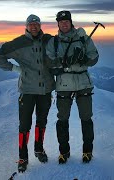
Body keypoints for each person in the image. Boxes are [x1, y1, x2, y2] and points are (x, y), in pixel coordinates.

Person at [0, 14, 54, 173]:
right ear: (26, 26)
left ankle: (39, 150)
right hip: (27, 90)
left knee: (42, 122)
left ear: (40, 25)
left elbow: (64, 45)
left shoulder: (48, 40)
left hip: (45, 90)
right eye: (31, 24)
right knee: (25, 125)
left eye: (36, 24)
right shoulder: (18, 43)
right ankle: (23, 157)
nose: (34, 26)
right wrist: (14, 68)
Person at [46, 10, 99, 164]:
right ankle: (64, 152)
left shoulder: (83, 38)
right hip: (64, 83)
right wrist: (66, 61)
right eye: (61, 22)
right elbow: (49, 62)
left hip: (83, 82)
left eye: (66, 21)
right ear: (58, 24)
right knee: (62, 118)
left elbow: (94, 57)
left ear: (71, 22)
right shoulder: (54, 42)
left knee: (86, 118)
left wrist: (84, 60)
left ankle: (87, 151)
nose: (64, 24)